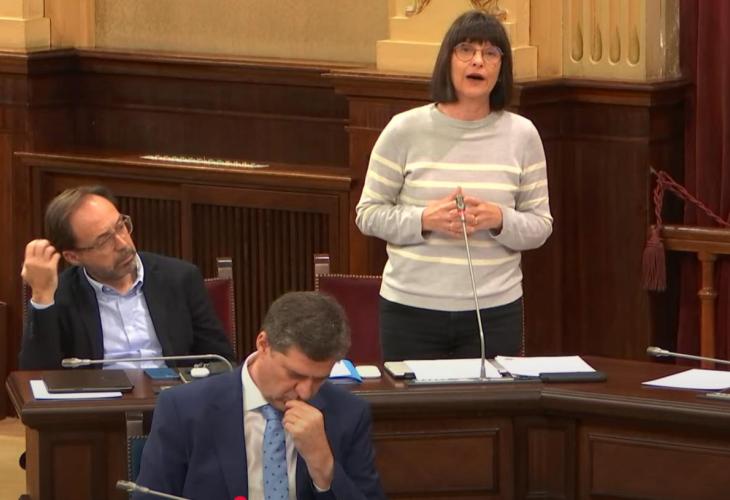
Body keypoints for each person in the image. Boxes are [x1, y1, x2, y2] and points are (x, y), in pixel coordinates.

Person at [356, 11, 553, 361]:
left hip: (493, 312)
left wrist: (500, 219)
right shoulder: (404, 130)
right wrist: (424, 219)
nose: (478, 61)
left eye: (491, 53)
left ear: (502, 68)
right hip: (411, 311)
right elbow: (368, 214)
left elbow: (540, 226)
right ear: (447, 59)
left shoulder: (523, 135)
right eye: (466, 50)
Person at [134, 291, 386, 500]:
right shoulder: (184, 409)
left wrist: (324, 465)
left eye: (320, 379)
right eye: (295, 374)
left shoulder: (348, 413)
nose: (306, 392)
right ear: (264, 344)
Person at [18, 185, 234, 370]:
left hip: (173, 400)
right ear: (73, 257)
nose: (123, 244)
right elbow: (37, 379)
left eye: (120, 226)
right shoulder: (61, 295)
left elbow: (221, 363)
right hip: (98, 404)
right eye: (104, 241)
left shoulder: (180, 278)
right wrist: (42, 296)